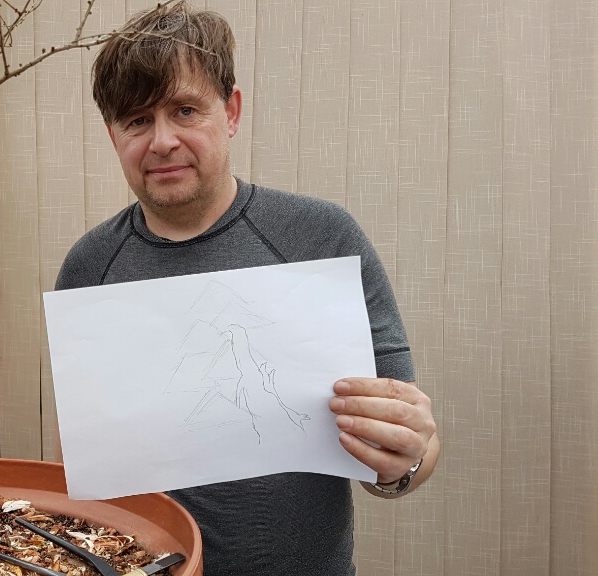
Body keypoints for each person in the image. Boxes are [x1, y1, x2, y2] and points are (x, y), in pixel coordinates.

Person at [54, 3, 441, 575]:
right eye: (137, 120)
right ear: (114, 137)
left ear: (230, 112)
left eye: (185, 110)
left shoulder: (321, 239)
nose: (162, 141)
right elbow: (81, 466)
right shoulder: (89, 268)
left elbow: (407, 451)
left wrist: (406, 460)